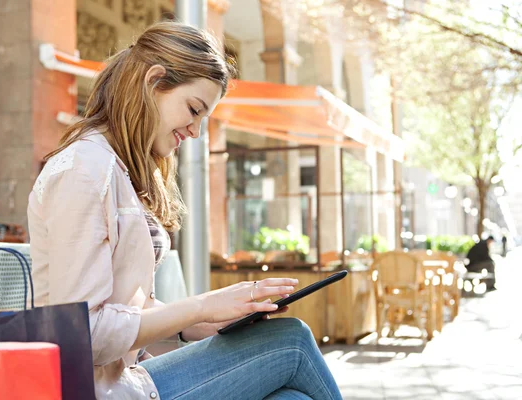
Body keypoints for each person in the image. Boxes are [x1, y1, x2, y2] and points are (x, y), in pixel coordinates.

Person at [28, 22, 342, 399]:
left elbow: (129, 307)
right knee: (291, 342)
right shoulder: (84, 170)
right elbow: (82, 334)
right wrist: (201, 307)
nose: (194, 132)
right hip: (99, 391)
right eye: (193, 110)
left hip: (127, 381)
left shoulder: (113, 169)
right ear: (153, 81)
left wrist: (201, 324)